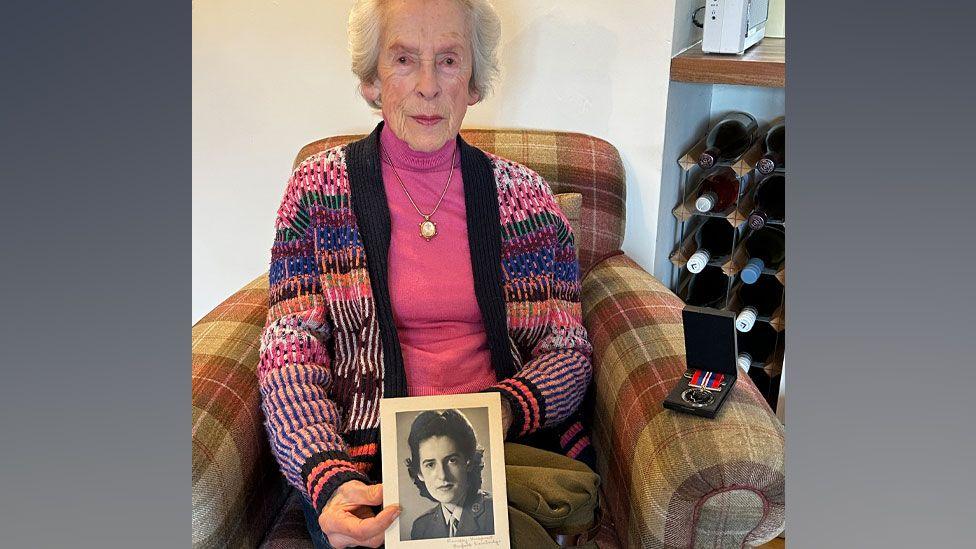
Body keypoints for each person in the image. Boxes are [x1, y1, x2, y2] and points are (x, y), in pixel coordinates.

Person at [257, 1, 595, 547]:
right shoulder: (317, 192)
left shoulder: (527, 201)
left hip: (502, 452)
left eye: (448, 61)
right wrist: (327, 477)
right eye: (404, 59)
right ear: (372, 80)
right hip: (365, 465)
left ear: (475, 81)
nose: (428, 86)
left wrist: (503, 410)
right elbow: (289, 353)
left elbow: (567, 348)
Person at [404, 410, 494, 540]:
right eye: (430, 465)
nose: (442, 476)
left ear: (468, 462)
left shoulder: (495, 512)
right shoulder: (421, 528)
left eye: (452, 461)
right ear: (419, 473)